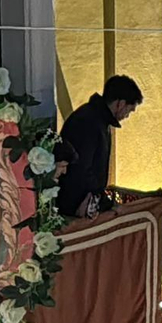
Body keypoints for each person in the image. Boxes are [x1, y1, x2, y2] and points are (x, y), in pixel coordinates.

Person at [57, 75, 143, 217]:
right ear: (120, 104)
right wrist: (104, 203)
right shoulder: (90, 122)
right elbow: (81, 169)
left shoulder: (94, 118)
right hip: (76, 205)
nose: (127, 116)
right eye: (129, 110)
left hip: (80, 201)